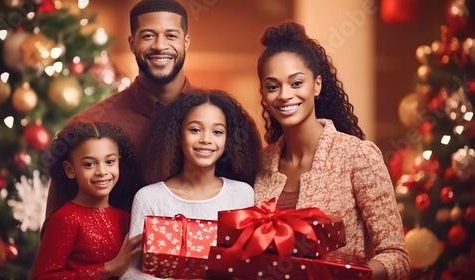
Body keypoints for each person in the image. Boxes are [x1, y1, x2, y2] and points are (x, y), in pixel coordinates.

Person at [253, 21, 410, 280]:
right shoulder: (259, 163)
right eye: (272, 86)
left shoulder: (357, 156)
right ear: (263, 93)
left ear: (316, 85)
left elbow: (396, 256)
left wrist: (346, 275)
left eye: (296, 83)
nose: (284, 95)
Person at [44, 0, 200, 222]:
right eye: (148, 36)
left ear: (186, 42)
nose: (159, 45)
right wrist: (113, 260)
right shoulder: (88, 125)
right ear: (132, 44)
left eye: (171, 36)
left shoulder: (220, 120)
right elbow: (55, 231)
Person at [121, 90, 262, 279]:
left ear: (227, 142)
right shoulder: (149, 197)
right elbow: (129, 272)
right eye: (195, 130)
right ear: (178, 136)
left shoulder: (242, 194)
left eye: (217, 132)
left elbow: (248, 266)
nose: (206, 139)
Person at [31, 122, 144, 279]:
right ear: (70, 170)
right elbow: (41, 277)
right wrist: (106, 269)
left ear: (119, 161)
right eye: (89, 164)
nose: (102, 172)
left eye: (110, 161)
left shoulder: (126, 217)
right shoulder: (66, 219)